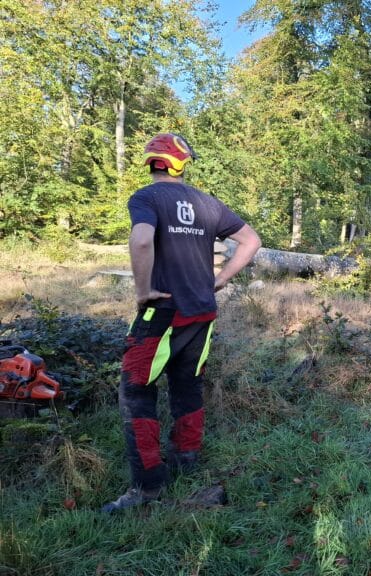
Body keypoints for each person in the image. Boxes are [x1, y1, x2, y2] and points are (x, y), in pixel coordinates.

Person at [102, 133, 261, 513]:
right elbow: (251, 241)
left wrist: (142, 291)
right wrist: (219, 280)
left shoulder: (146, 197)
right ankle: (186, 458)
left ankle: (147, 487)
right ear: (182, 162)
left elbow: (141, 242)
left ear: (150, 162)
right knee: (188, 385)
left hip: (164, 311)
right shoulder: (207, 203)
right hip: (202, 310)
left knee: (136, 391)